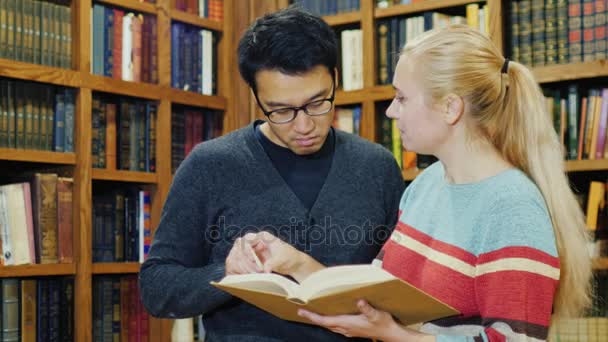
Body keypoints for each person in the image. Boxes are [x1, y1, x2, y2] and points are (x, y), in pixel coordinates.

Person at [244, 25, 592, 341]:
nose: (391, 112)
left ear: (449, 108)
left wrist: (397, 335)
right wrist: (295, 264)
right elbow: (376, 297)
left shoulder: (512, 205)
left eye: (402, 98)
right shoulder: (426, 185)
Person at [138, 6, 405, 341]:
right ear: (256, 97)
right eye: (281, 111)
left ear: (335, 78)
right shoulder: (211, 165)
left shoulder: (377, 167)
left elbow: (402, 292)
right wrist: (228, 275)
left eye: (318, 102)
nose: (304, 125)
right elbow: (157, 288)